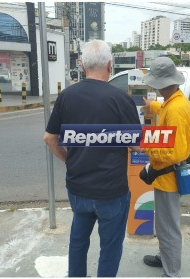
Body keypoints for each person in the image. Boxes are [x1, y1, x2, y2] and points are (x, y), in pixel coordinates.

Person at [43, 39, 140, 277]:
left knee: (78, 240)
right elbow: (136, 144)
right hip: (112, 192)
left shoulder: (67, 96)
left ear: (82, 66)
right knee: (110, 246)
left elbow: (49, 138)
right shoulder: (122, 100)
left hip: (78, 187)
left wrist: (68, 160)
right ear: (110, 65)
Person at [141, 57, 190, 277]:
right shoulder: (174, 102)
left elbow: (177, 152)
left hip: (169, 177)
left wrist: (146, 148)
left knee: (169, 228)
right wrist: (151, 105)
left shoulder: (176, 109)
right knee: (163, 225)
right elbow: (164, 109)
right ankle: (165, 258)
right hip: (165, 177)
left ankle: (171, 273)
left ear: (162, 83)